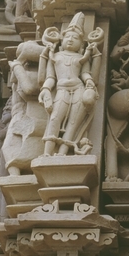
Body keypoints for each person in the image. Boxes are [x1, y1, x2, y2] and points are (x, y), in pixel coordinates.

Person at [39, 14, 104, 155]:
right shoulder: (55, 56)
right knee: (54, 118)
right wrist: (46, 89)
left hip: (78, 88)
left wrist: (89, 81)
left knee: (73, 123)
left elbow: (85, 73)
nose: (70, 40)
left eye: (75, 38)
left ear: (81, 44)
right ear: (61, 41)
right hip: (61, 90)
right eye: (67, 37)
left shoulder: (81, 57)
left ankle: (62, 154)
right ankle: (47, 153)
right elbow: (50, 77)